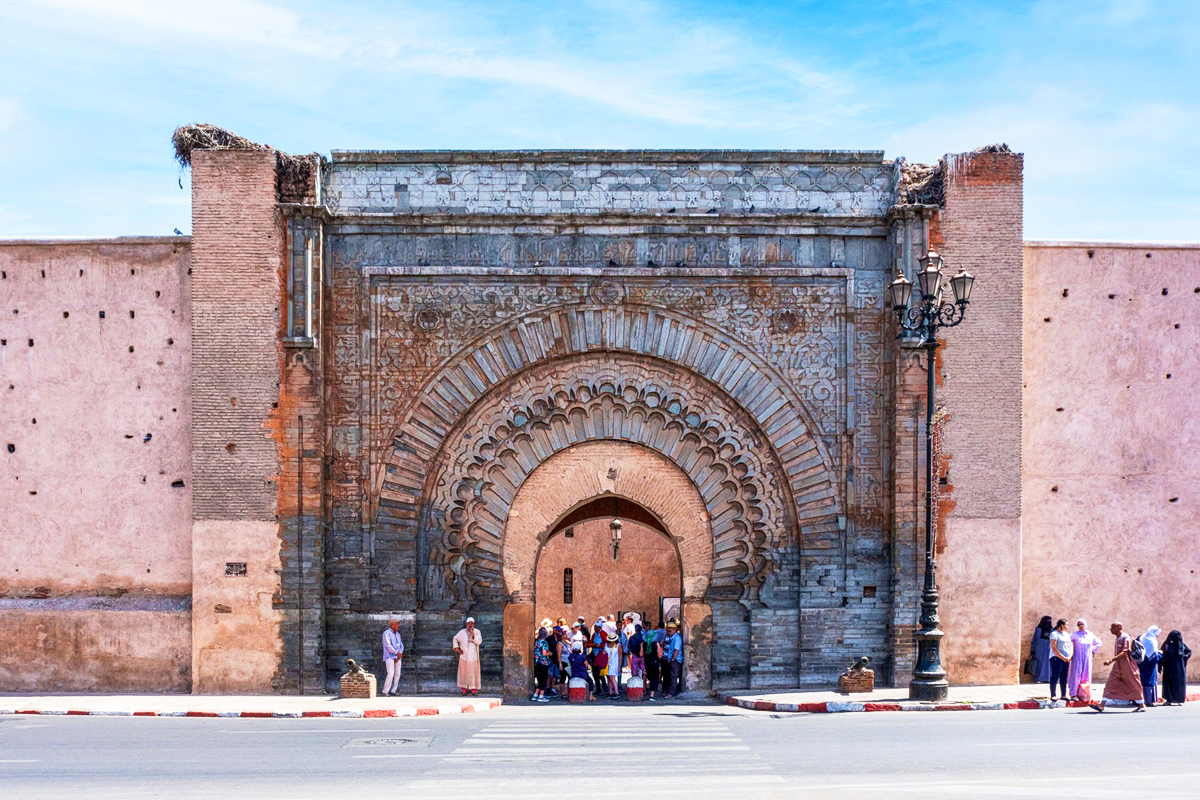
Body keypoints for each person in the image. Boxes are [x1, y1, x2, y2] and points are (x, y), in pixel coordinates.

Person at [1093, 622, 1145, 712]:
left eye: (1113, 627)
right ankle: (1101, 705)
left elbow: (1125, 652)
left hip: (1127, 665)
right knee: (1110, 683)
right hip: (1118, 666)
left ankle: (1142, 705)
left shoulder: (1126, 638)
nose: (1111, 630)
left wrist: (1111, 660)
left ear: (1119, 627)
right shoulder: (1118, 639)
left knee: (1134, 683)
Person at [1068, 619, 1102, 701]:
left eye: (1082, 624)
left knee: (1086, 675)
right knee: (1076, 675)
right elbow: (1067, 641)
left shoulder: (1090, 635)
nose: (1080, 626)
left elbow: (1099, 643)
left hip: (1087, 658)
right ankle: (1074, 694)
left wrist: (1092, 650)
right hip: (1077, 658)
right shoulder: (1074, 635)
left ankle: (1085, 694)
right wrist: (1069, 651)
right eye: (1078, 624)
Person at [1160, 630, 1192, 705]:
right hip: (1169, 668)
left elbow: (1188, 652)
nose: (1179, 638)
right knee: (1169, 684)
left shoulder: (1181, 645)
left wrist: (1184, 657)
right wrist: (1161, 664)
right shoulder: (1166, 645)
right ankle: (1169, 700)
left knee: (1179, 684)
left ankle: (1179, 700)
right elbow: (1161, 654)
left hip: (1179, 668)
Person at [453, 617, 483, 696]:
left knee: (474, 673)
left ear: (473, 624)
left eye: (471, 623)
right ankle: (464, 690)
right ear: (466, 624)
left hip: (474, 656)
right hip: (464, 656)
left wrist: (472, 634)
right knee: (464, 673)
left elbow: (479, 642)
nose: (470, 625)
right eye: (469, 623)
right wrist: (457, 648)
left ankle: (474, 690)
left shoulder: (477, 632)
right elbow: (455, 639)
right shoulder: (462, 632)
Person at [1137, 625, 1162, 706]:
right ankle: (1148, 701)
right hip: (1150, 665)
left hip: (1140, 662)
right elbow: (1155, 656)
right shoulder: (1152, 641)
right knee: (1149, 682)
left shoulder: (1141, 637)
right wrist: (1160, 653)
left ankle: (1139, 700)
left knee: (1140, 681)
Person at [1048, 618, 1072, 701]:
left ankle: (1063, 695)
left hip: (1066, 658)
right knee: (1055, 676)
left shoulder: (1066, 634)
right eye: (1066, 625)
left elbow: (1070, 645)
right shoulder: (1054, 634)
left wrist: (1069, 656)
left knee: (1064, 676)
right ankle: (1053, 694)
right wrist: (1062, 657)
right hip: (1056, 658)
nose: (1068, 627)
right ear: (1061, 625)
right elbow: (1054, 648)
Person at [381, 618, 404, 696]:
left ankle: (393, 690)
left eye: (398, 624)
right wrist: (396, 653)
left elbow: (401, 645)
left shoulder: (398, 634)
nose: (398, 625)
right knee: (390, 673)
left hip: (398, 656)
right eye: (397, 624)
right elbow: (388, 645)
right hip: (389, 656)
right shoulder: (386, 633)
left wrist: (399, 653)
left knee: (397, 674)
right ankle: (385, 691)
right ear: (392, 625)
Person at [1029, 615, 1053, 684]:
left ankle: (1048, 679)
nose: (1048, 622)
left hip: (1049, 650)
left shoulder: (1052, 630)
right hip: (1039, 650)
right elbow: (1034, 640)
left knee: (1048, 664)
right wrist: (1032, 649)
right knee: (1039, 664)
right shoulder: (1038, 630)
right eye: (1047, 621)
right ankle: (1038, 678)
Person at [532, 626, 554, 702]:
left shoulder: (536, 642)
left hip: (537, 662)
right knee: (544, 680)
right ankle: (541, 696)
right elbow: (544, 653)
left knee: (540, 680)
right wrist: (549, 653)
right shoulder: (545, 643)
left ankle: (535, 695)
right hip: (543, 663)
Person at [662, 620, 683, 697]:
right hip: (672, 659)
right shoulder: (673, 637)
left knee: (673, 676)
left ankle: (671, 692)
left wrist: (673, 659)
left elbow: (676, 650)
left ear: (674, 629)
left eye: (670, 629)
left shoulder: (677, 638)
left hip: (675, 660)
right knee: (671, 676)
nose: (668, 630)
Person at [643, 621, 662, 702]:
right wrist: (660, 649)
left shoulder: (644, 644)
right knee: (654, 678)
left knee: (649, 677)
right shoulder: (656, 644)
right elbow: (659, 655)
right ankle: (652, 695)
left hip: (646, 662)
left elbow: (641, 654)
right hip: (654, 662)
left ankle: (645, 690)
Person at [605, 631, 622, 696]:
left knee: (612, 677)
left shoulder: (618, 645)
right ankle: (610, 692)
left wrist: (619, 666)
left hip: (614, 663)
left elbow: (620, 656)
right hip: (607, 663)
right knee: (609, 677)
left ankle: (616, 692)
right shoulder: (606, 645)